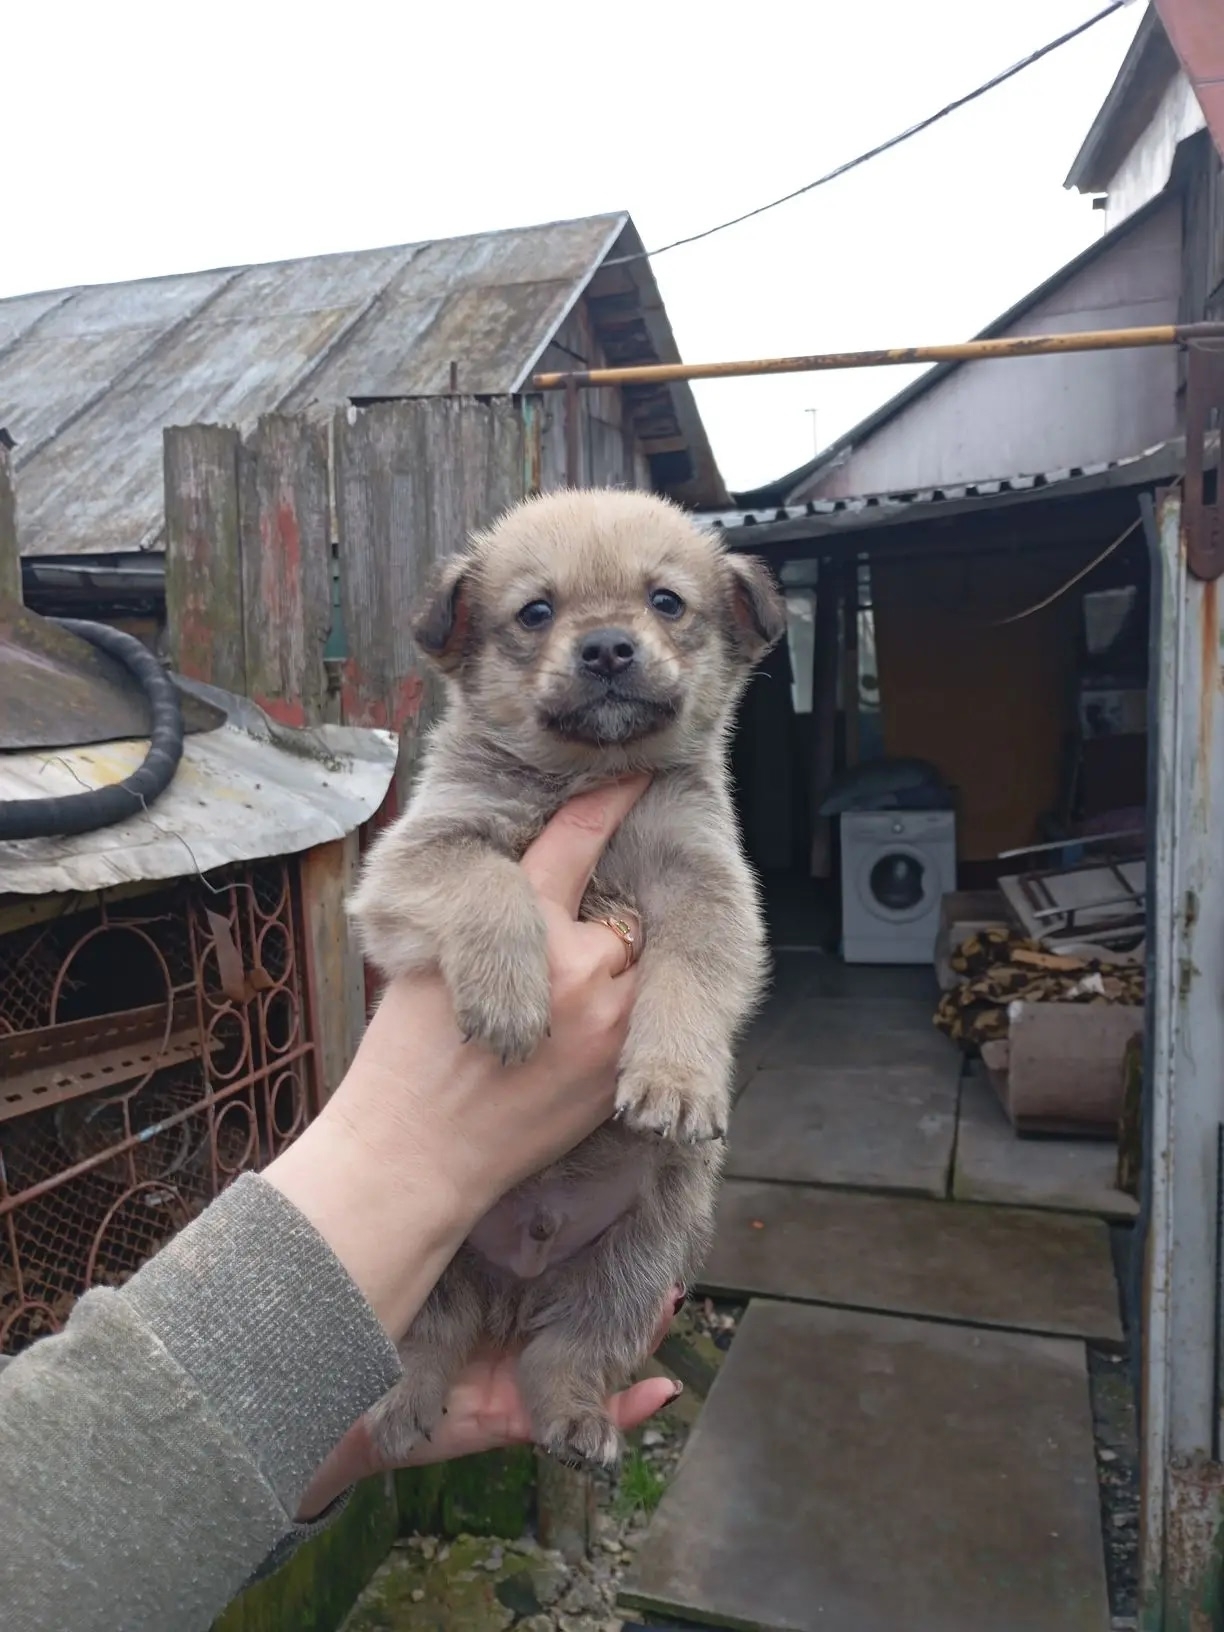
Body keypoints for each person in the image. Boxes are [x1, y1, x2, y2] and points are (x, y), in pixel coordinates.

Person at [0, 776, 682, 1632]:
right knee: (438, 1304)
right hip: (458, 1224)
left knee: (665, 1210)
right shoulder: (478, 772)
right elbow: (395, 897)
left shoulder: (680, 796)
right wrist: (412, 1146)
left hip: (604, 1204)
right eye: (533, 626)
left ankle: (563, 1354)